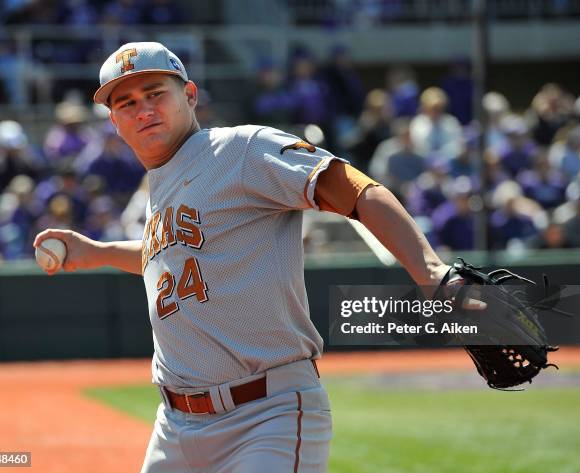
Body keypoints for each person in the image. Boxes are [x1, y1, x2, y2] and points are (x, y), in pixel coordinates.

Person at [34, 42, 454, 473]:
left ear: (190, 95)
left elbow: (351, 187)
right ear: (115, 123)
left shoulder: (240, 149)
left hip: (264, 413)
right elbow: (178, 257)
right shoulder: (162, 182)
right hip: (175, 428)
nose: (143, 110)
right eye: (126, 103)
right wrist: (100, 252)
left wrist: (430, 269)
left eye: (156, 93)